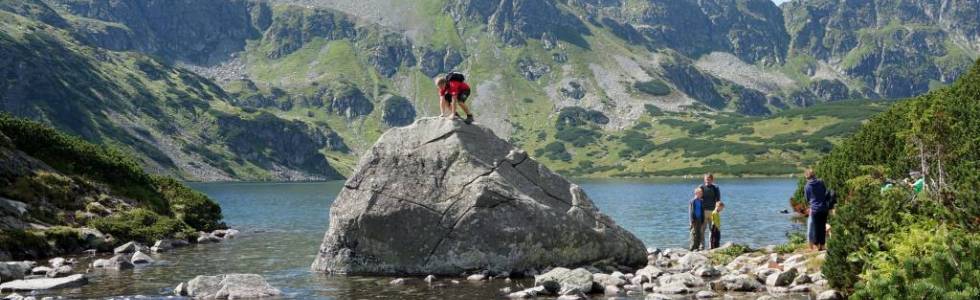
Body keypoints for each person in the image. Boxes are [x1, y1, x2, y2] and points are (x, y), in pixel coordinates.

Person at [804, 168, 830, 251]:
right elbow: (825, 192)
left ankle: (817, 246)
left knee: (815, 228)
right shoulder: (821, 182)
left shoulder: (807, 186)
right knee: (822, 227)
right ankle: (822, 246)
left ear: (807, 177)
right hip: (824, 208)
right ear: (814, 175)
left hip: (815, 209)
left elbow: (807, 199)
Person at [698, 173, 722, 249]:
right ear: (704, 179)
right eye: (706, 179)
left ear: (712, 180)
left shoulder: (715, 187)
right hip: (703, 211)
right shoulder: (701, 187)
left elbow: (718, 200)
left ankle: (711, 246)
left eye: (709, 179)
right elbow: (697, 199)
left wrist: (717, 210)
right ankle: (702, 246)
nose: (707, 180)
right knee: (702, 230)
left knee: (712, 230)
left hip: (713, 211)